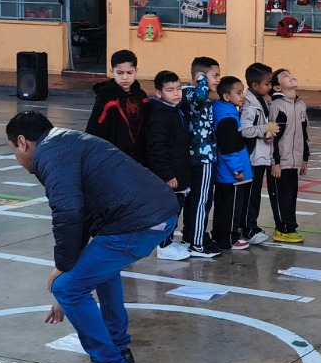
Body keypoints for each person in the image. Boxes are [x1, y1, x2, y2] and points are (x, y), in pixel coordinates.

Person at [6, 110, 180, 363]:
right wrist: (69, 266)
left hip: (139, 221)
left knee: (67, 288)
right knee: (101, 273)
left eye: (12, 149)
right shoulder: (67, 141)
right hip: (157, 212)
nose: (16, 156)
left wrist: (64, 270)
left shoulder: (49, 155)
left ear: (22, 142)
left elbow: (68, 212)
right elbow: (83, 212)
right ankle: (119, 346)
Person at [144, 70, 193, 262]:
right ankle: (164, 245)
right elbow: (157, 149)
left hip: (180, 172)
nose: (176, 93)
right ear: (159, 93)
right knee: (169, 211)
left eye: (178, 89)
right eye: (170, 90)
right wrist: (167, 174)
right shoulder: (160, 117)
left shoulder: (176, 110)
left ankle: (169, 241)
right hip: (170, 176)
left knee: (176, 209)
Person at [181, 56, 222, 259]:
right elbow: (201, 96)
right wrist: (201, 79)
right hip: (203, 156)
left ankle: (190, 237)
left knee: (195, 200)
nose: (218, 80)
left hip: (197, 155)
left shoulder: (191, 94)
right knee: (201, 201)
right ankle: (197, 244)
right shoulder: (194, 93)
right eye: (215, 75)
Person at [208, 76, 255, 253]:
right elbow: (228, 146)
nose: (242, 96)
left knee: (223, 206)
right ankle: (229, 239)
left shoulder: (222, 110)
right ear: (227, 97)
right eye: (239, 93)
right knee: (231, 207)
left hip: (225, 173)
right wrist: (237, 169)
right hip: (230, 174)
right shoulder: (228, 117)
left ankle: (220, 235)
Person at [237, 62, 278, 245]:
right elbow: (245, 130)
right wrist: (264, 129)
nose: (270, 87)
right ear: (255, 85)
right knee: (251, 194)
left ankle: (248, 224)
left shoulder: (260, 100)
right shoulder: (250, 105)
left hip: (260, 155)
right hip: (253, 157)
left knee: (253, 194)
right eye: (267, 84)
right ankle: (249, 228)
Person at [84, 49, 149, 163]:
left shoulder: (142, 97)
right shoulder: (106, 98)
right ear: (112, 71)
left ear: (136, 71)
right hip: (113, 159)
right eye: (120, 73)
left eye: (129, 73)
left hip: (140, 159)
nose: (125, 77)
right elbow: (94, 130)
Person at [268, 68, 309, 244]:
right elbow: (272, 136)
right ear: (277, 87)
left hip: (294, 162)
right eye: (285, 76)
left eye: (291, 74)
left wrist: (304, 159)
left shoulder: (301, 105)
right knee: (281, 197)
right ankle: (282, 229)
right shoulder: (277, 106)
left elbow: (304, 134)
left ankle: (290, 227)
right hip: (281, 162)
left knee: (291, 196)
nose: (291, 76)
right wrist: (275, 162)